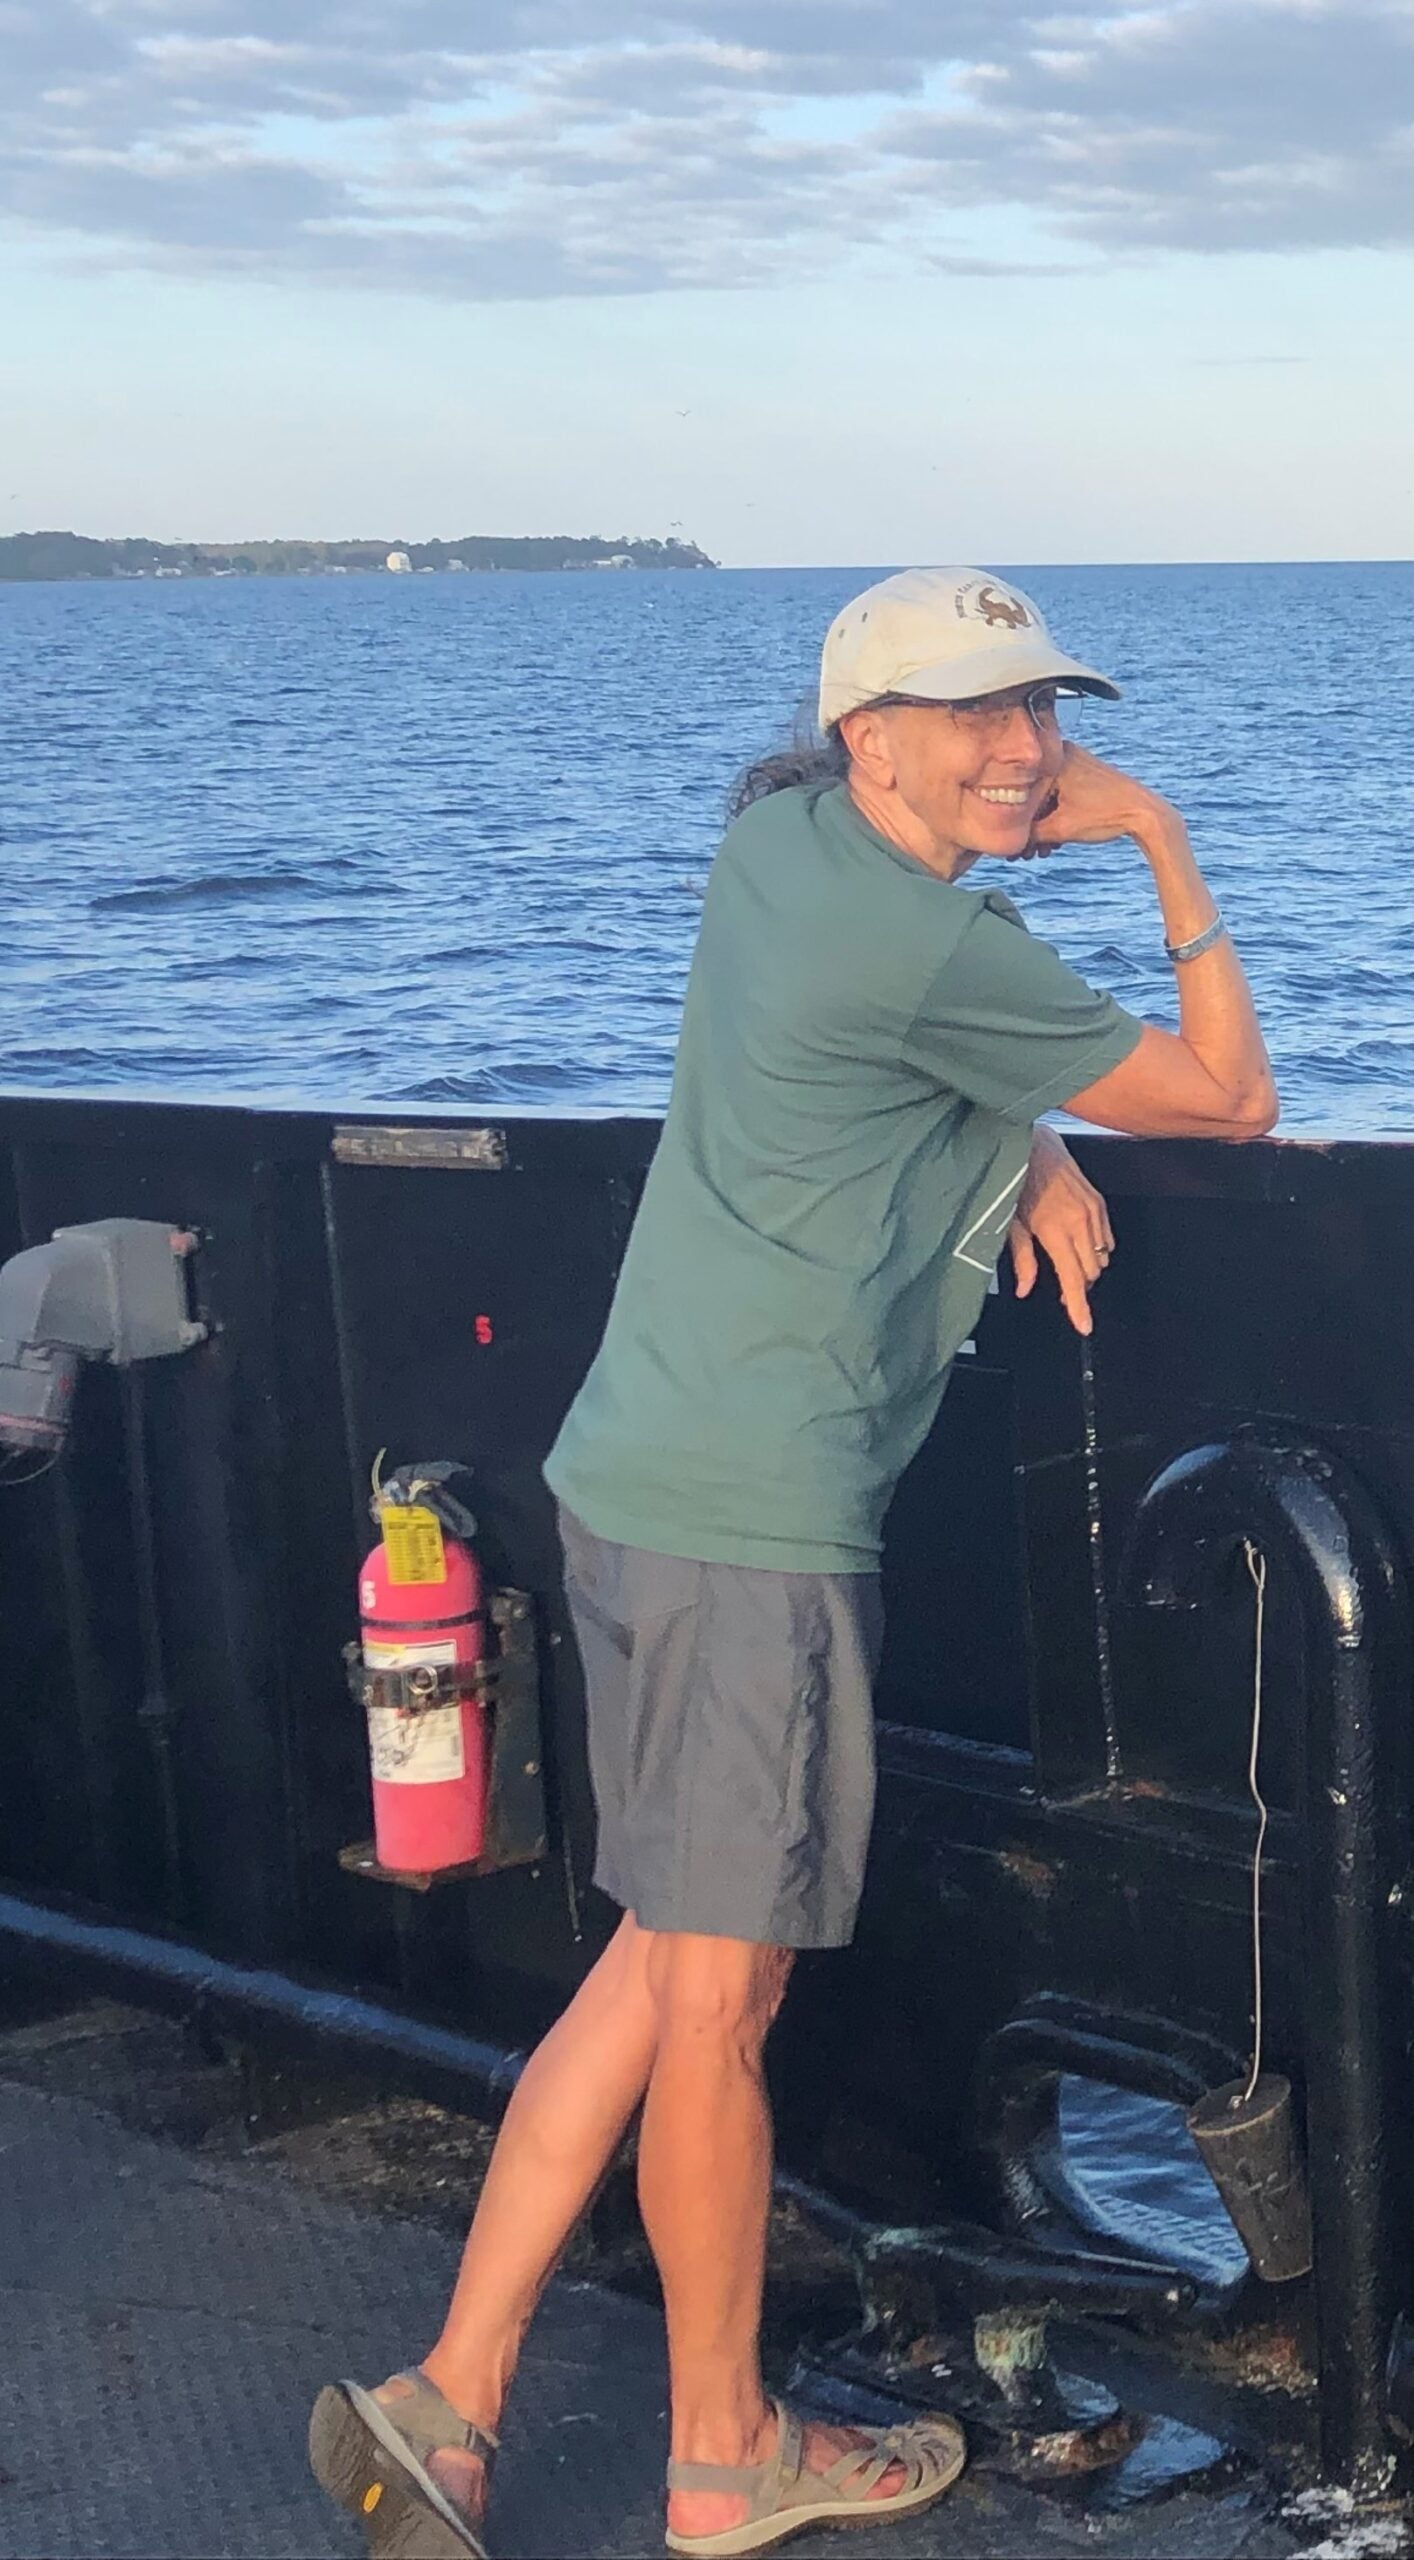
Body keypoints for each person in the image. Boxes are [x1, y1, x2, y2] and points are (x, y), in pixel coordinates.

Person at [310, 567, 1276, 2559]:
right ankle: (719, 2454)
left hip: (633, 1477)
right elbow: (1231, 1097)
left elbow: (902, 1026)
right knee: (719, 2011)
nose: (1027, 751)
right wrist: (1165, 842)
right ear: (870, 739)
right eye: (977, 717)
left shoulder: (772, 849)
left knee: (652, 1972)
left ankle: (450, 2398)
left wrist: (1017, 1138)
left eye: (1043, 712)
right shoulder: (922, 944)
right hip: (754, 1526)